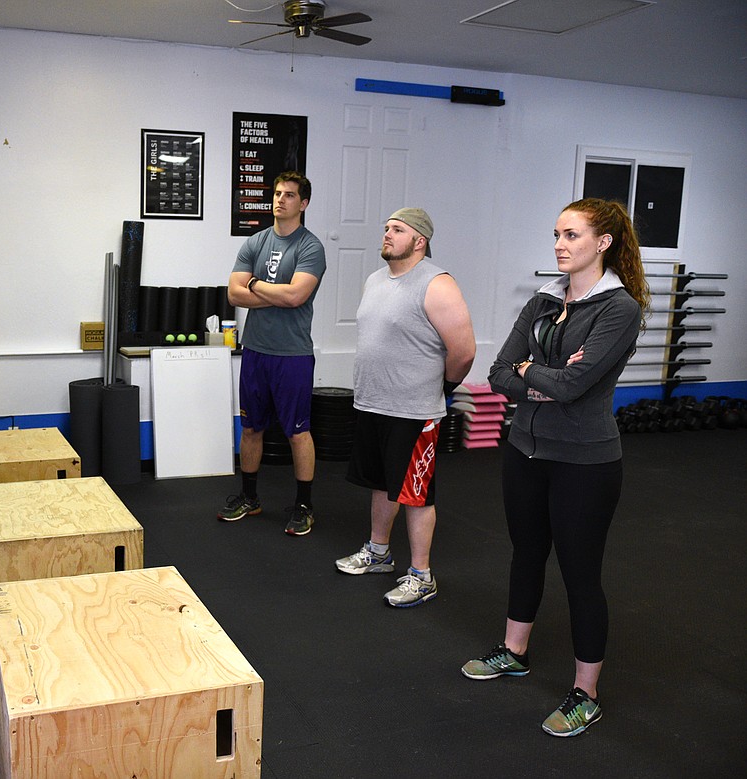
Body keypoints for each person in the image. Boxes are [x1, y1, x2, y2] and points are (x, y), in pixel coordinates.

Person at [460, 198, 649, 737]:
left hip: (584, 462)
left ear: (603, 243)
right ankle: (513, 651)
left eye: (571, 236)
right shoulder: (546, 299)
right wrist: (537, 375)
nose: (560, 245)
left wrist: (537, 375)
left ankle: (585, 692)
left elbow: (573, 386)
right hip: (524, 450)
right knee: (525, 553)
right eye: (557, 235)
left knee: (580, 574)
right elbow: (498, 374)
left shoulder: (619, 308)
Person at [335, 208, 475, 607]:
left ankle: (421, 575)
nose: (387, 234)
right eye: (386, 228)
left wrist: (440, 387)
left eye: (397, 229)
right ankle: (378, 553)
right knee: (382, 484)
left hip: (414, 410)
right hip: (372, 403)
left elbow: (463, 352)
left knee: (416, 494)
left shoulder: (437, 284)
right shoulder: (375, 280)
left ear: (420, 240)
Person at [218, 171, 326, 536]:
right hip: (256, 351)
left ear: (304, 203)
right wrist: (272, 291)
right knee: (250, 427)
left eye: (290, 195)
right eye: (278, 193)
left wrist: (254, 285)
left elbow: (297, 296)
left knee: (298, 433)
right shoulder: (255, 242)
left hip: (292, 355)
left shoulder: (310, 247)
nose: (281, 200)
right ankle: (250, 497)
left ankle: (303, 505)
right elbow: (233, 295)